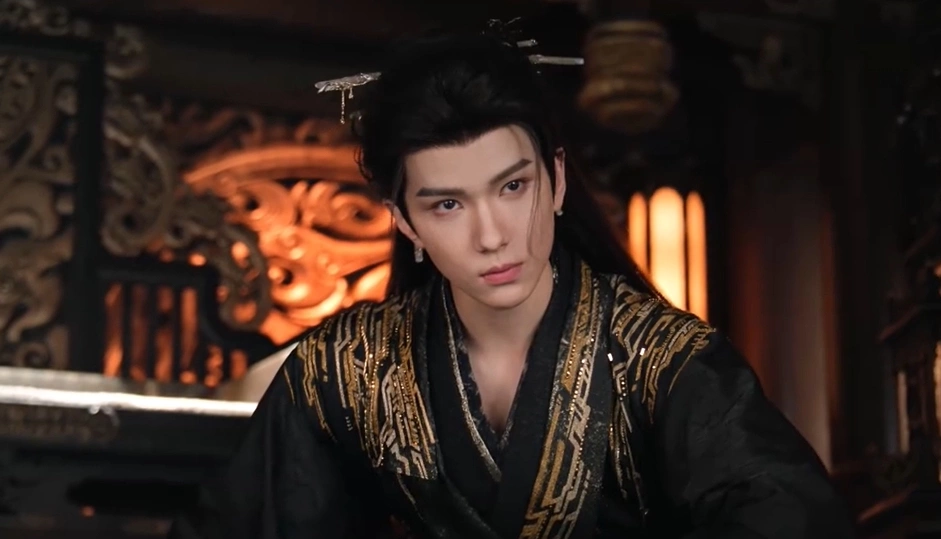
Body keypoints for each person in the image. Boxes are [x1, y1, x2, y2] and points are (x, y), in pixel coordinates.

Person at [169, 31, 855, 539]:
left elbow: (789, 518)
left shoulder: (662, 361)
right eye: (447, 204)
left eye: (512, 187)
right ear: (404, 221)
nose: (492, 235)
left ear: (554, 180)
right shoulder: (348, 368)